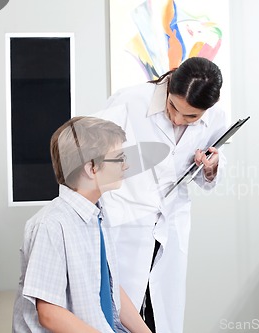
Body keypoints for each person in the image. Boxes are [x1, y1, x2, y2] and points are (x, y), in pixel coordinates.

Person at [96, 57, 227, 333]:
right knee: (121, 308)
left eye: (191, 117)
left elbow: (205, 178)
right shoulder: (128, 102)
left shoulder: (216, 119)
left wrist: (212, 167)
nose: (178, 119)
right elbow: (90, 158)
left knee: (160, 310)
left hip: (171, 221)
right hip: (126, 220)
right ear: (168, 88)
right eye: (173, 107)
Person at [12, 116, 152, 333]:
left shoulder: (97, 213)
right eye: (119, 158)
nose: (127, 165)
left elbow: (111, 289)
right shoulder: (51, 225)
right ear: (91, 168)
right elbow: (49, 313)